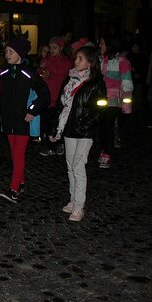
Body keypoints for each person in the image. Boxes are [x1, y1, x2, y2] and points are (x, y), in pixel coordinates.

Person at [49, 46, 107, 222]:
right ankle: (73, 200)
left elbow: (100, 107)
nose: (76, 61)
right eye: (76, 58)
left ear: (90, 62)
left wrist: (88, 123)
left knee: (78, 166)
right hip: (68, 128)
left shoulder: (96, 82)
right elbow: (61, 104)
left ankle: (79, 206)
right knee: (70, 166)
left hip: (85, 131)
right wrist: (55, 128)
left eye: (80, 59)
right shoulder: (70, 79)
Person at [0, 38, 50, 203]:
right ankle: (21, 182)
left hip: (23, 121)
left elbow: (44, 94)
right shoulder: (3, 72)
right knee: (13, 155)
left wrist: (32, 111)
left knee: (18, 155)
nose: (7, 54)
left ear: (20, 54)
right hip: (8, 120)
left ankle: (14, 189)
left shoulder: (28, 73)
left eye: (11, 52)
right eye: (6, 51)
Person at [98, 36, 133, 168]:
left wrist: (126, 105)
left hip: (113, 99)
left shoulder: (122, 62)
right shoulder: (100, 60)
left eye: (102, 43)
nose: (100, 46)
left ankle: (106, 153)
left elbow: (127, 83)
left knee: (107, 125)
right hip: (99, 97)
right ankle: (103, 149)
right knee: (101, 126)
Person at [38, 37, 72, 156]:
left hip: (59, 95)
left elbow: (65, 76)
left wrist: (51, 74)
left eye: (54, 48)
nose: (52, 50)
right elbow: (40, 72)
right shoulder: (46, 60)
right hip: (47, 95)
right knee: (45, 121)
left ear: (61, 48)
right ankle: (46, 144)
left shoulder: (66, 62)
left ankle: (58, 143)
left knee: (58, 121)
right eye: (50, 47)